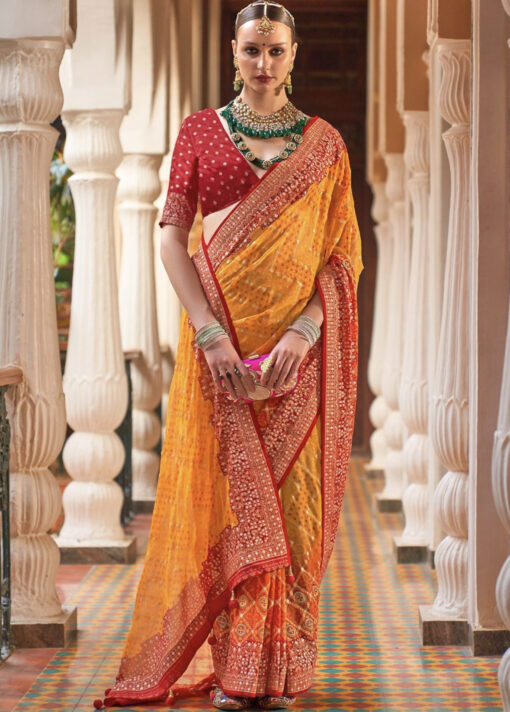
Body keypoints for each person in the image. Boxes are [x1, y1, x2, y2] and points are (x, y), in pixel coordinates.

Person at [95, 1, 363, 710]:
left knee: (293, 511)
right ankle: (240, 672)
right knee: (230, 507)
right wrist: (208, 332)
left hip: (295, 362)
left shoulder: (325, 145)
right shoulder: (199, 132)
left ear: (294, 55)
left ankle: (280, 670)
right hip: (222, 356)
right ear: (234, 52)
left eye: (276, 50)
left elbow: (342, 259)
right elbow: (170, 234)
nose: (264, 63)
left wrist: (305, 332)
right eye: (252, 50)